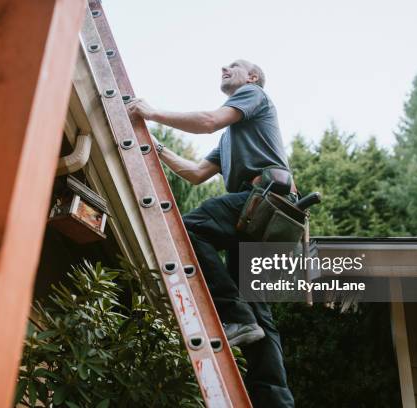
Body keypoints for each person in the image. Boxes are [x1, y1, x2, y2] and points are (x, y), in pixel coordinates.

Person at [127, 59, 295, 407]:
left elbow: (207, 121)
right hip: (253, 219)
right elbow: (195, 172)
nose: (224, 67)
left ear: (251, 78)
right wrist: (152, 144)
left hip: (264, 203)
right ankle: (276, 401)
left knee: (189, 228)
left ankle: (234, 315)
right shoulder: (232, 137)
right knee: (259, 318)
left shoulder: (254, 95)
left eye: (233, 65)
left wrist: (153, 113)